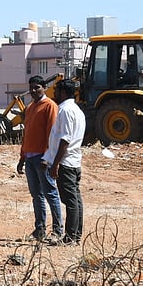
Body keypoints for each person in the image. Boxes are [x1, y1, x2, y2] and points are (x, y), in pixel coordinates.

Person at [16, 76, 63, 243]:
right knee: (36, 195)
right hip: (29, 158)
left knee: (50, 193)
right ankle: (40, 228)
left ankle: (58, 230)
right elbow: (26, 133)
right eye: (31, 88)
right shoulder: (30, 108)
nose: (33, 91)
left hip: (42, 159)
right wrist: (22, 158)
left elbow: (53, 135)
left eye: (37, 87)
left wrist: (48, 158)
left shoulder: (50, 106)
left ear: (44, 87)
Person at [43, 77, 86, 245]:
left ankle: (70, 237)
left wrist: (55, 164)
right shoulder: (76, 110)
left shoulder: (65, 111)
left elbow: (65, 139)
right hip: (73, 161)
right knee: (75, 200)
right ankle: (74, 235)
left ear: (63, 92)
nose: (54, 94)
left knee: (70, 201)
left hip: (66, 162)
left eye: (56, 91)